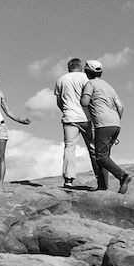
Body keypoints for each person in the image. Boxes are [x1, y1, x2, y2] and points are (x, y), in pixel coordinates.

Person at [80, 60, 130, 193]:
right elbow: (121, 107)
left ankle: (122, 176)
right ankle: (102, 185)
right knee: (104, 155)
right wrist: (115, 121)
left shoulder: (90, 84)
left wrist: (83, 96)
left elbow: (84, 102)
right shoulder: (109, 86)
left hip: (102, 124)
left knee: (100, 156)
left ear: (87, 72)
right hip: (115, 123)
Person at [54, 57, 95, 188]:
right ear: (81, 67)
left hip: (69, 117)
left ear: (69, 67)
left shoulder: (61, 79)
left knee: (69, 148)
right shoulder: (86, 78)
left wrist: (65, 110)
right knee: (93, 147)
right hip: (86, 117)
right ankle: (100, 176)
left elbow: (59, 101)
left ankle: (68, 178)